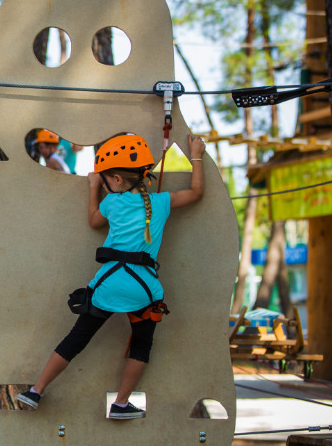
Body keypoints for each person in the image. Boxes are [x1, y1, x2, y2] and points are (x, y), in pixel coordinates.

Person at [17, 131, 206, 418]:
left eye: (104, 177)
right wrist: (196, 155)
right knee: (142, 345)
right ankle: (120, 403)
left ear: (116, 179)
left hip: (107, 286)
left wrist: (93, 188)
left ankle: (36, 391)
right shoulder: (161, 203)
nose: (103, 181)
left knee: (75, 339)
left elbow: (93, 222)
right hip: (143, 289)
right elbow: (196, 192)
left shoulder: (112, 203)